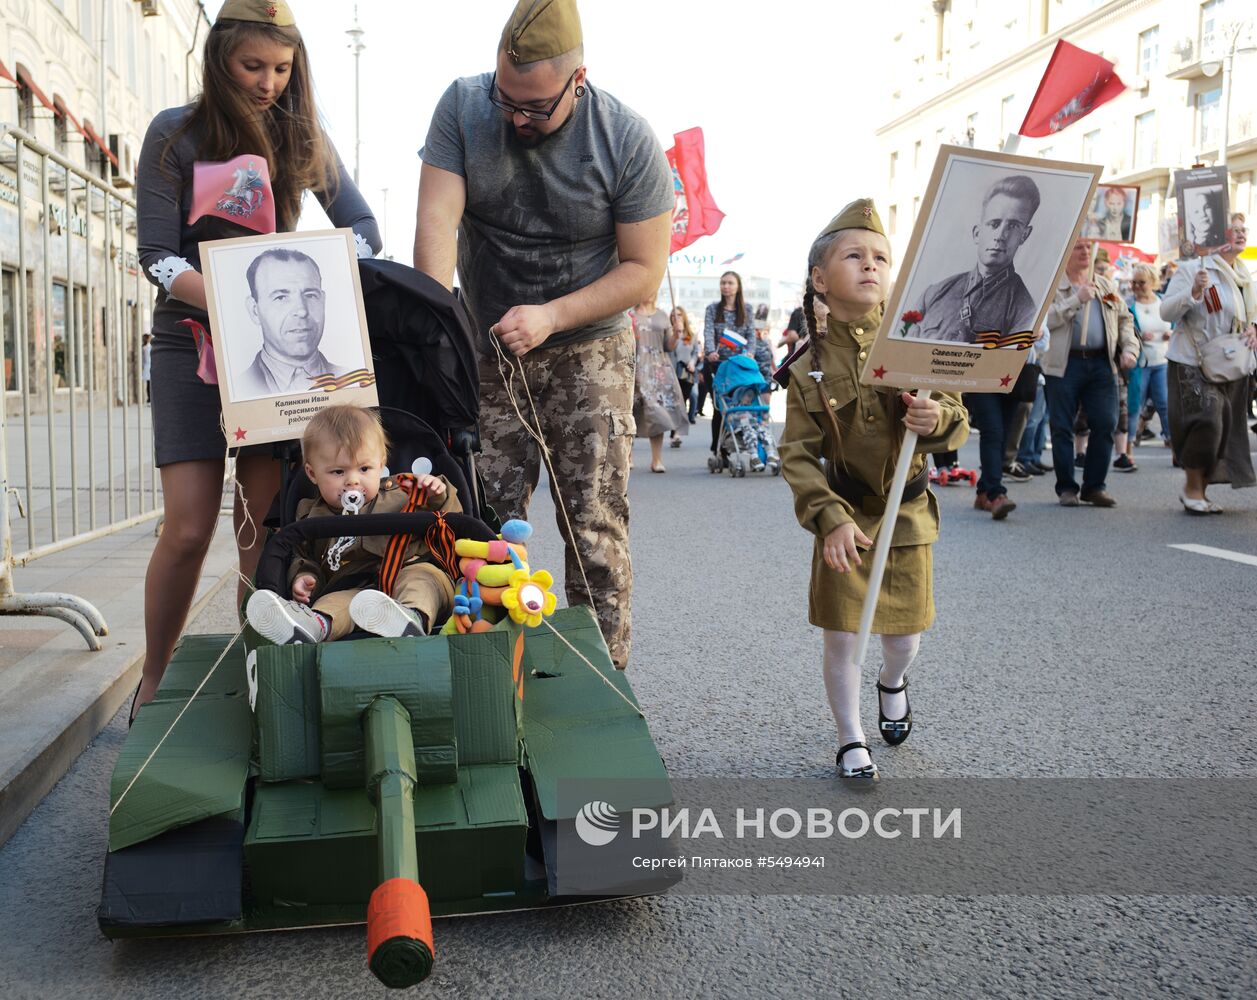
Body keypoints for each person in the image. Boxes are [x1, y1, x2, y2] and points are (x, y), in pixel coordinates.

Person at [133, 0, 381, 720]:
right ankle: (154, 680)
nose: (269, 82)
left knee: (263, 528)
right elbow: (156, 256)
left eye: (282, 67)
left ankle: (260, 679)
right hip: (191, 342)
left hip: (279, 359)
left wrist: (334, 275)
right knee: (185, 526)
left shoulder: (301, 137)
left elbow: (359, 225)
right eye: (252, 66)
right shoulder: (174, 133)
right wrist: (227, 305)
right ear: (219, 58)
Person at [413, 0, 672, 670]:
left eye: (534, 107)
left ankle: (601, 687)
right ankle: (490, 681)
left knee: (593, 527)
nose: (515, 117)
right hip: (489, 346)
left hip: (589, 347)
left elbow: (643, 274)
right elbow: (437, 224)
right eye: (507, 99)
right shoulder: (463, 107)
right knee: (485, 527)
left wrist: (552, 314)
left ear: (577, 80)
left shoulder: (627, 139)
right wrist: (434, 323)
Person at [778, 199, 969, 782]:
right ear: (820, 279)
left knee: (903, 637)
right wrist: (827, 516)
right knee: (843, 638)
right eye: (854, 255)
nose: (870, 265)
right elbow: (796, 454)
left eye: (881, 257)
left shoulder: (918, 344)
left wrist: (935, 421)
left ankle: (893, 683)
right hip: (844, 519)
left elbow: (957, 412)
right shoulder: (807, 365)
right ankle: (850, 737)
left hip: (906, 514)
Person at [245, 405, 458, 643]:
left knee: (421, 582)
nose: (353, 480)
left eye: (365, 469)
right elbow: (302, 555)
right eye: (338, 472)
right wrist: (303, 576)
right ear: (313, 474)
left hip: (411, 567)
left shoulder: (404, 491)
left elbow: (451, 521)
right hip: (354, 587)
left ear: (381, 464)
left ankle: (411, 619)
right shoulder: (311, 515)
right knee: (334, 602)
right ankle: (312, 625)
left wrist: (438, 494)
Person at [1161, 217, 1257, 513]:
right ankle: (1192, 488)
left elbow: (1246, 316)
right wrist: (1193, 293)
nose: (1241, 234)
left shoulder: (1245, 276)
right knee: (1206, 420)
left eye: (1244, 230)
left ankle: (1198, 491)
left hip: (1232, 363)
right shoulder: (1194, 269)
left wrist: (1253, 327)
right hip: (1194, 360)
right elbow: (1166, 311)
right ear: (1217, 235)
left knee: (1224, 427)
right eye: (1234, 229)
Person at [1041, 239, 1139, 506]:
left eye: (1088, 247)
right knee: (1062, 427)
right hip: (1064, 364)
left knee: (1106, 423)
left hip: (1101, 364)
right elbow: (1042, 320)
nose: (1085, 252)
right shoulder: (1054, 285)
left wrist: (1130, 348)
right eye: (1078, 247)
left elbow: (1124, 319)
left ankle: (1094, 486)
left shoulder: (1105, 285)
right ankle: (1067, 488)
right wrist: (1076, 299)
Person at [906, 174, 1040, 344]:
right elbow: (901, 339)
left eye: (1013, 226)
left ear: (1024, 235)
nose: (1000, 236)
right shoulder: (934, 293)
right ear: (977, 233)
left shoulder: (1024, 312)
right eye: (994, 224)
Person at [233, 247, 352, 399]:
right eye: (281, 297)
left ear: (323, 301)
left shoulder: (354, 380)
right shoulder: (237, 390)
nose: (302, 310)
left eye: (310, 295)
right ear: (254, 310)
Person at [702, 270, 757, 454]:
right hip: (717, 365)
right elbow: (709, 332)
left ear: (738, 286)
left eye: (730, 283)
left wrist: (750, 352)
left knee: (740, 405)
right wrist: (710, 351)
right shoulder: (712, 309)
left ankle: (741, 442)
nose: (726, 286)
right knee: (720, 407)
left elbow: (751, 335)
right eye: (723, 282)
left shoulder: (747, 309)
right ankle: (719, 449)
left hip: (739, 366)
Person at [630, 295, 686, 472]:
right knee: (630, 413)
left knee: (658, 414)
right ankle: (627, 456)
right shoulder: (630, 314)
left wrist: (677, 334)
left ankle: (657, 459)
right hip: (635, 368)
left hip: (658, 370)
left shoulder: (662, 316)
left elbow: (669, 346)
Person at [1123, 263, 1171, 457]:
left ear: (1152, 282)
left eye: (1141, 282)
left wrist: (1171, 332)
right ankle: (1128, 446)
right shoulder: (1128, 304)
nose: (1136, 286)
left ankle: (1173, 443)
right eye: (1133, 282)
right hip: (1139, 364)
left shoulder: (1163, 301)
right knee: (1134, 404)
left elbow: (1176, 322)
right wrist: (1139, 335)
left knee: (1165, 404)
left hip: (1163, 361)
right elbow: (1123, 330)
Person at [669, 306, 701, 437]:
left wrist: (693, 362)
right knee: (675, 404)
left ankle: (677, 431)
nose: (676, 318)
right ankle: (675, 433)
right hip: (671, 373)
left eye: (679, 315)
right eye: (673, 315)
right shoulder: (668, 334)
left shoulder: (690, 335)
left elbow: (695, 352)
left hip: (687, 374)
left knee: (683, 403)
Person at [1184, 186, 1224, 250]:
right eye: (1196, 211)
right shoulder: (1189, 249)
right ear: (1190, 219)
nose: (1203, 214)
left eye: (1207, 207)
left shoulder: (1224, 241)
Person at [141, 333, 152, 403]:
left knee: (149, 383)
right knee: (148, 383)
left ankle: (150, 398)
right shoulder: (145, 347)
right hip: (147, 366)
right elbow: (143, 359)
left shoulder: (149, 346)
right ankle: (149, 398)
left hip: (149, 365)